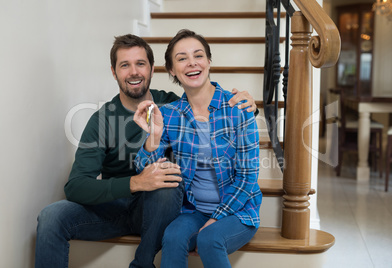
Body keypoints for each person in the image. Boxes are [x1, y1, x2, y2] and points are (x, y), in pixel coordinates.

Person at [35, 33, 257, 268]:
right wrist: (136, 182)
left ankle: (142, 263)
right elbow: (76, 187)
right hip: (113, 207)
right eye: (125, 65)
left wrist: (248, 107)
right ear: (114, 72)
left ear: (152, 69)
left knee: (167, 180)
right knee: (51, 216)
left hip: (161, 206)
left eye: (140, 64)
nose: (133, 72)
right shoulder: (103, 119)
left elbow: (206, 102)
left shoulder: (171, 107)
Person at [134, 29, 262, 268]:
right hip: (195, 210)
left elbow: (248, 178)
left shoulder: (238, 107)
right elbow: (143, 167)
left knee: (209, 239)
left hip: (238, 212)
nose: (192, 62)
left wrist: (218, 217)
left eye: (198, 55)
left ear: (209, 61)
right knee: (172, 236)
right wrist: (155, 135)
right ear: (172, 70)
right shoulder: (170, 114)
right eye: (182, 58)